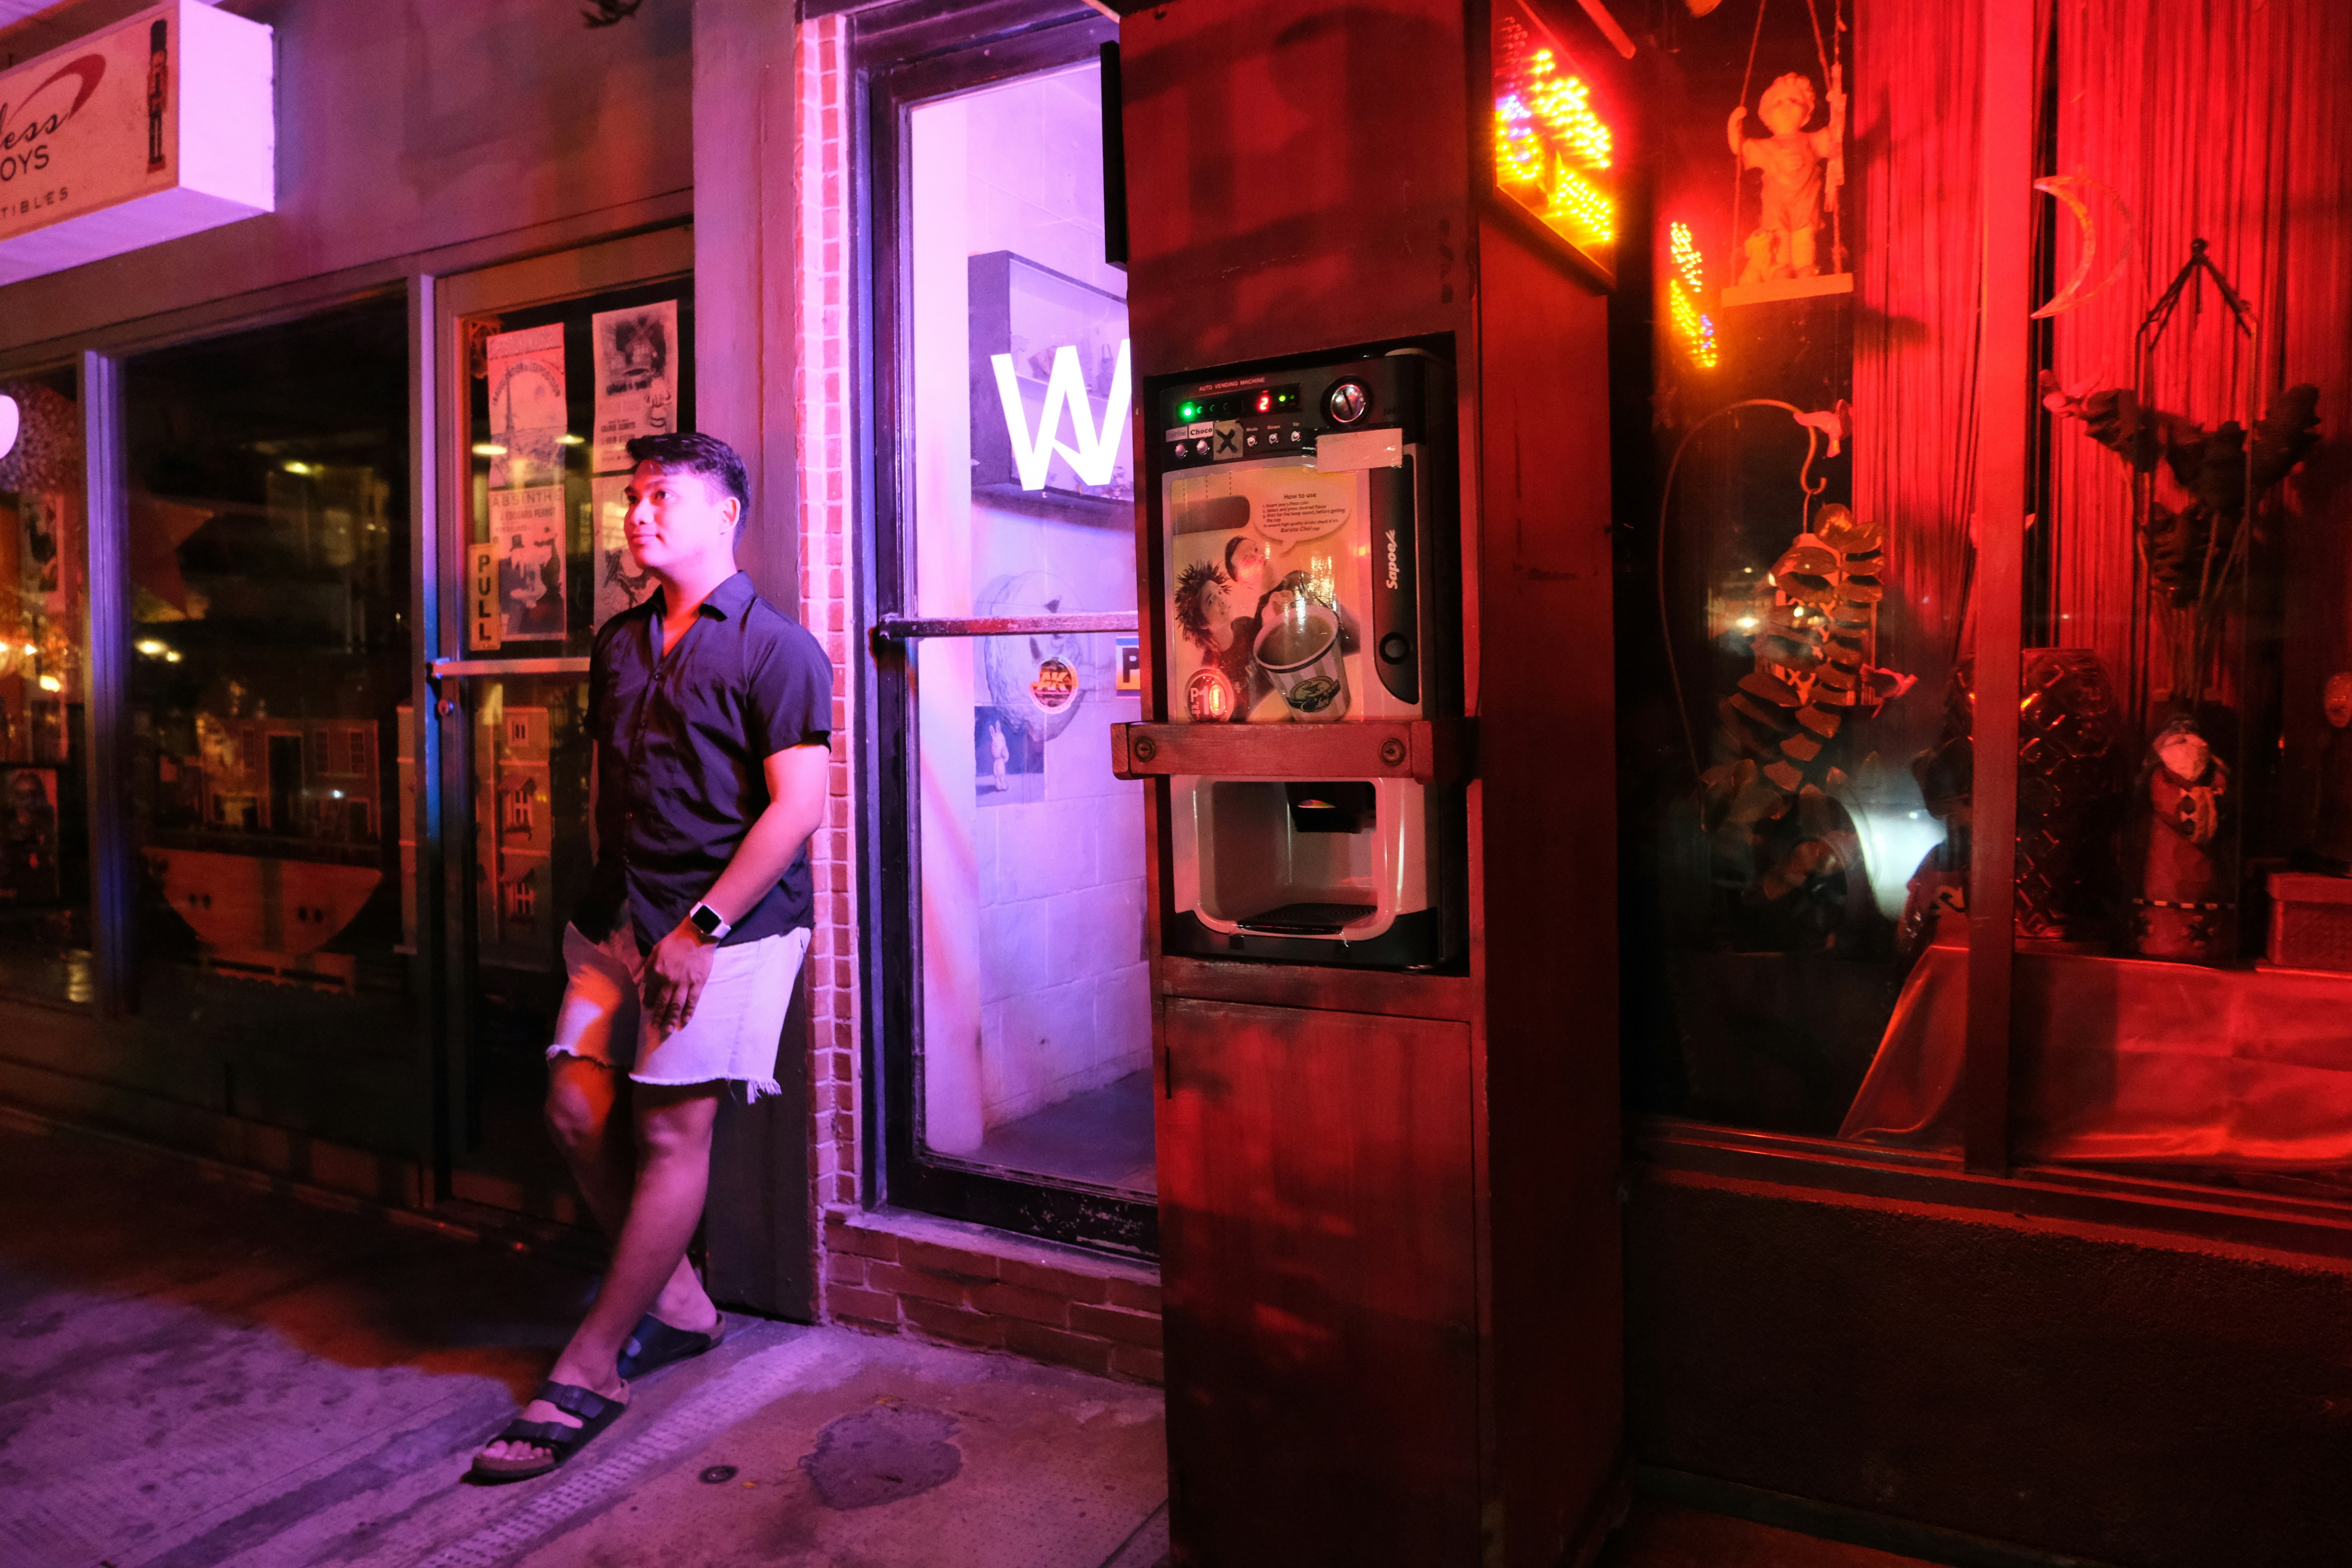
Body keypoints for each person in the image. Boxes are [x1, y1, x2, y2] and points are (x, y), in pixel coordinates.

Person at [471, 432, 832, 1482]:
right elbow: (607, 788)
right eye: (632, 497)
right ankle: (677, 1299)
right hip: (619, 922)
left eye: (663, 495)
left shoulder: (777, 646)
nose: (638, 513)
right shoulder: (620, 641)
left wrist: (698, 930)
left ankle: (590, 1367)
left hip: (726, 934)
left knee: (671, 1134)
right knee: (575, 1108)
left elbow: (799, 807)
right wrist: (608, 916)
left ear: (727, 514)